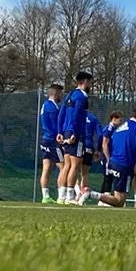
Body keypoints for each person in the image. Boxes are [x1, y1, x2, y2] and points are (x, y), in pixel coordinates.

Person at [58, 72, 93, 205]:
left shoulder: (70, 94)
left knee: (66, 165)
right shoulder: (82, 96)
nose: (90, 85)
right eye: (89, 82)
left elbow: (61, 113)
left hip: (66, 131)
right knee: (75, 166)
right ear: (84, 81)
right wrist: (74, 132)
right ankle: (70, 196)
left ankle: (61, 196)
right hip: (76, 133)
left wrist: (60, 131)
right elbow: (77, 115)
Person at [103, 108, 136, 207]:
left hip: (113, 162)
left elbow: (113, 142)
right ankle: (91, 194)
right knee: (119, 201)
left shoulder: (121, 127)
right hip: (123, 165)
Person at [37, 83, 64, 204]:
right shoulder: (52, 107)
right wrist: (60, 135)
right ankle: (62, 196)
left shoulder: (45, 105)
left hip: (45, 139)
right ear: (56, 93)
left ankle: (45, 196)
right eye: (60, 93)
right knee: (64, 167)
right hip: (52, 140)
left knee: (46, 168)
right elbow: (55, 125)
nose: (61, 96)